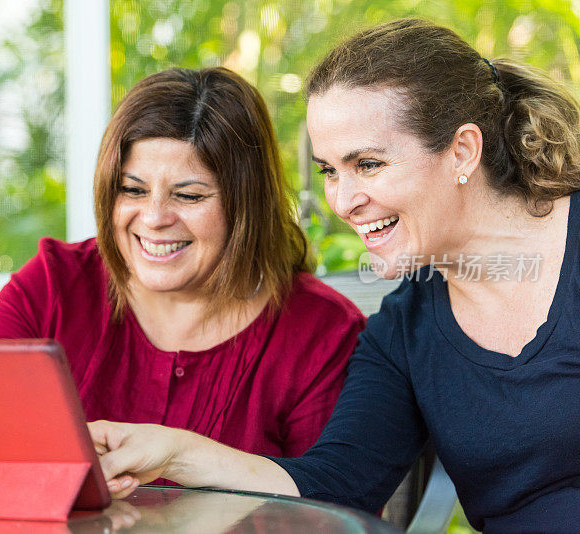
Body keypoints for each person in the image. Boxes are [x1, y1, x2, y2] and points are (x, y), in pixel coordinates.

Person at [89, 19, 580, 533]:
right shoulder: (403, 332)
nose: (344, 202)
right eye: (329, 171)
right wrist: (175, 454)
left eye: (367, 164)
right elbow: (334, 487)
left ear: (462, 150)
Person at [0, 68, 365, 481]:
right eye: (132, 190)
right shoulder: (52, 286)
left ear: (246, 204)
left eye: (189, 195)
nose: (155, 217)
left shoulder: (321, 330)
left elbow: (330, 505)